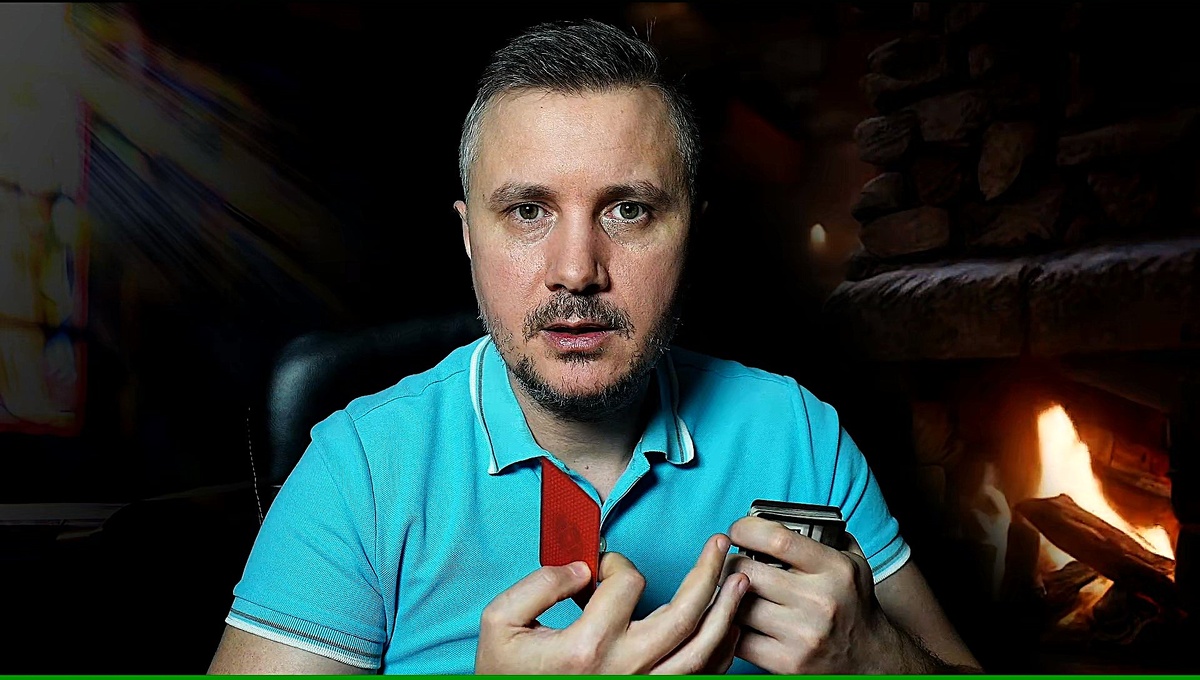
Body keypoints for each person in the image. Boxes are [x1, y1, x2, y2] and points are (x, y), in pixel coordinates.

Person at [209, 18, 981, 675]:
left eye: (629, 210)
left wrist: (876, 655)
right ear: (469, 237)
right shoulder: (360, 470)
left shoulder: (800, 434)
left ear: (691, 233)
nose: (577, 270)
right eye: (527, 210)